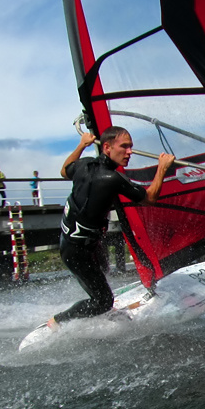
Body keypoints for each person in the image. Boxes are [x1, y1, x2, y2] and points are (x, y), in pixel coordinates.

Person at [41, 126, 175, 331]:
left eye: (131, 147)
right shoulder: (113, 179)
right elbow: (149, 199)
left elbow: (63, 170)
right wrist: (162, 168)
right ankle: (58, 321)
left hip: (76, 243)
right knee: (103, 301)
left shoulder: (83, 165)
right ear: (107, 147)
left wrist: (81, 145)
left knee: (104, 272)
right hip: (79, 251)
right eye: (124, 147)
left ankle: (95, 306)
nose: (129, 152)